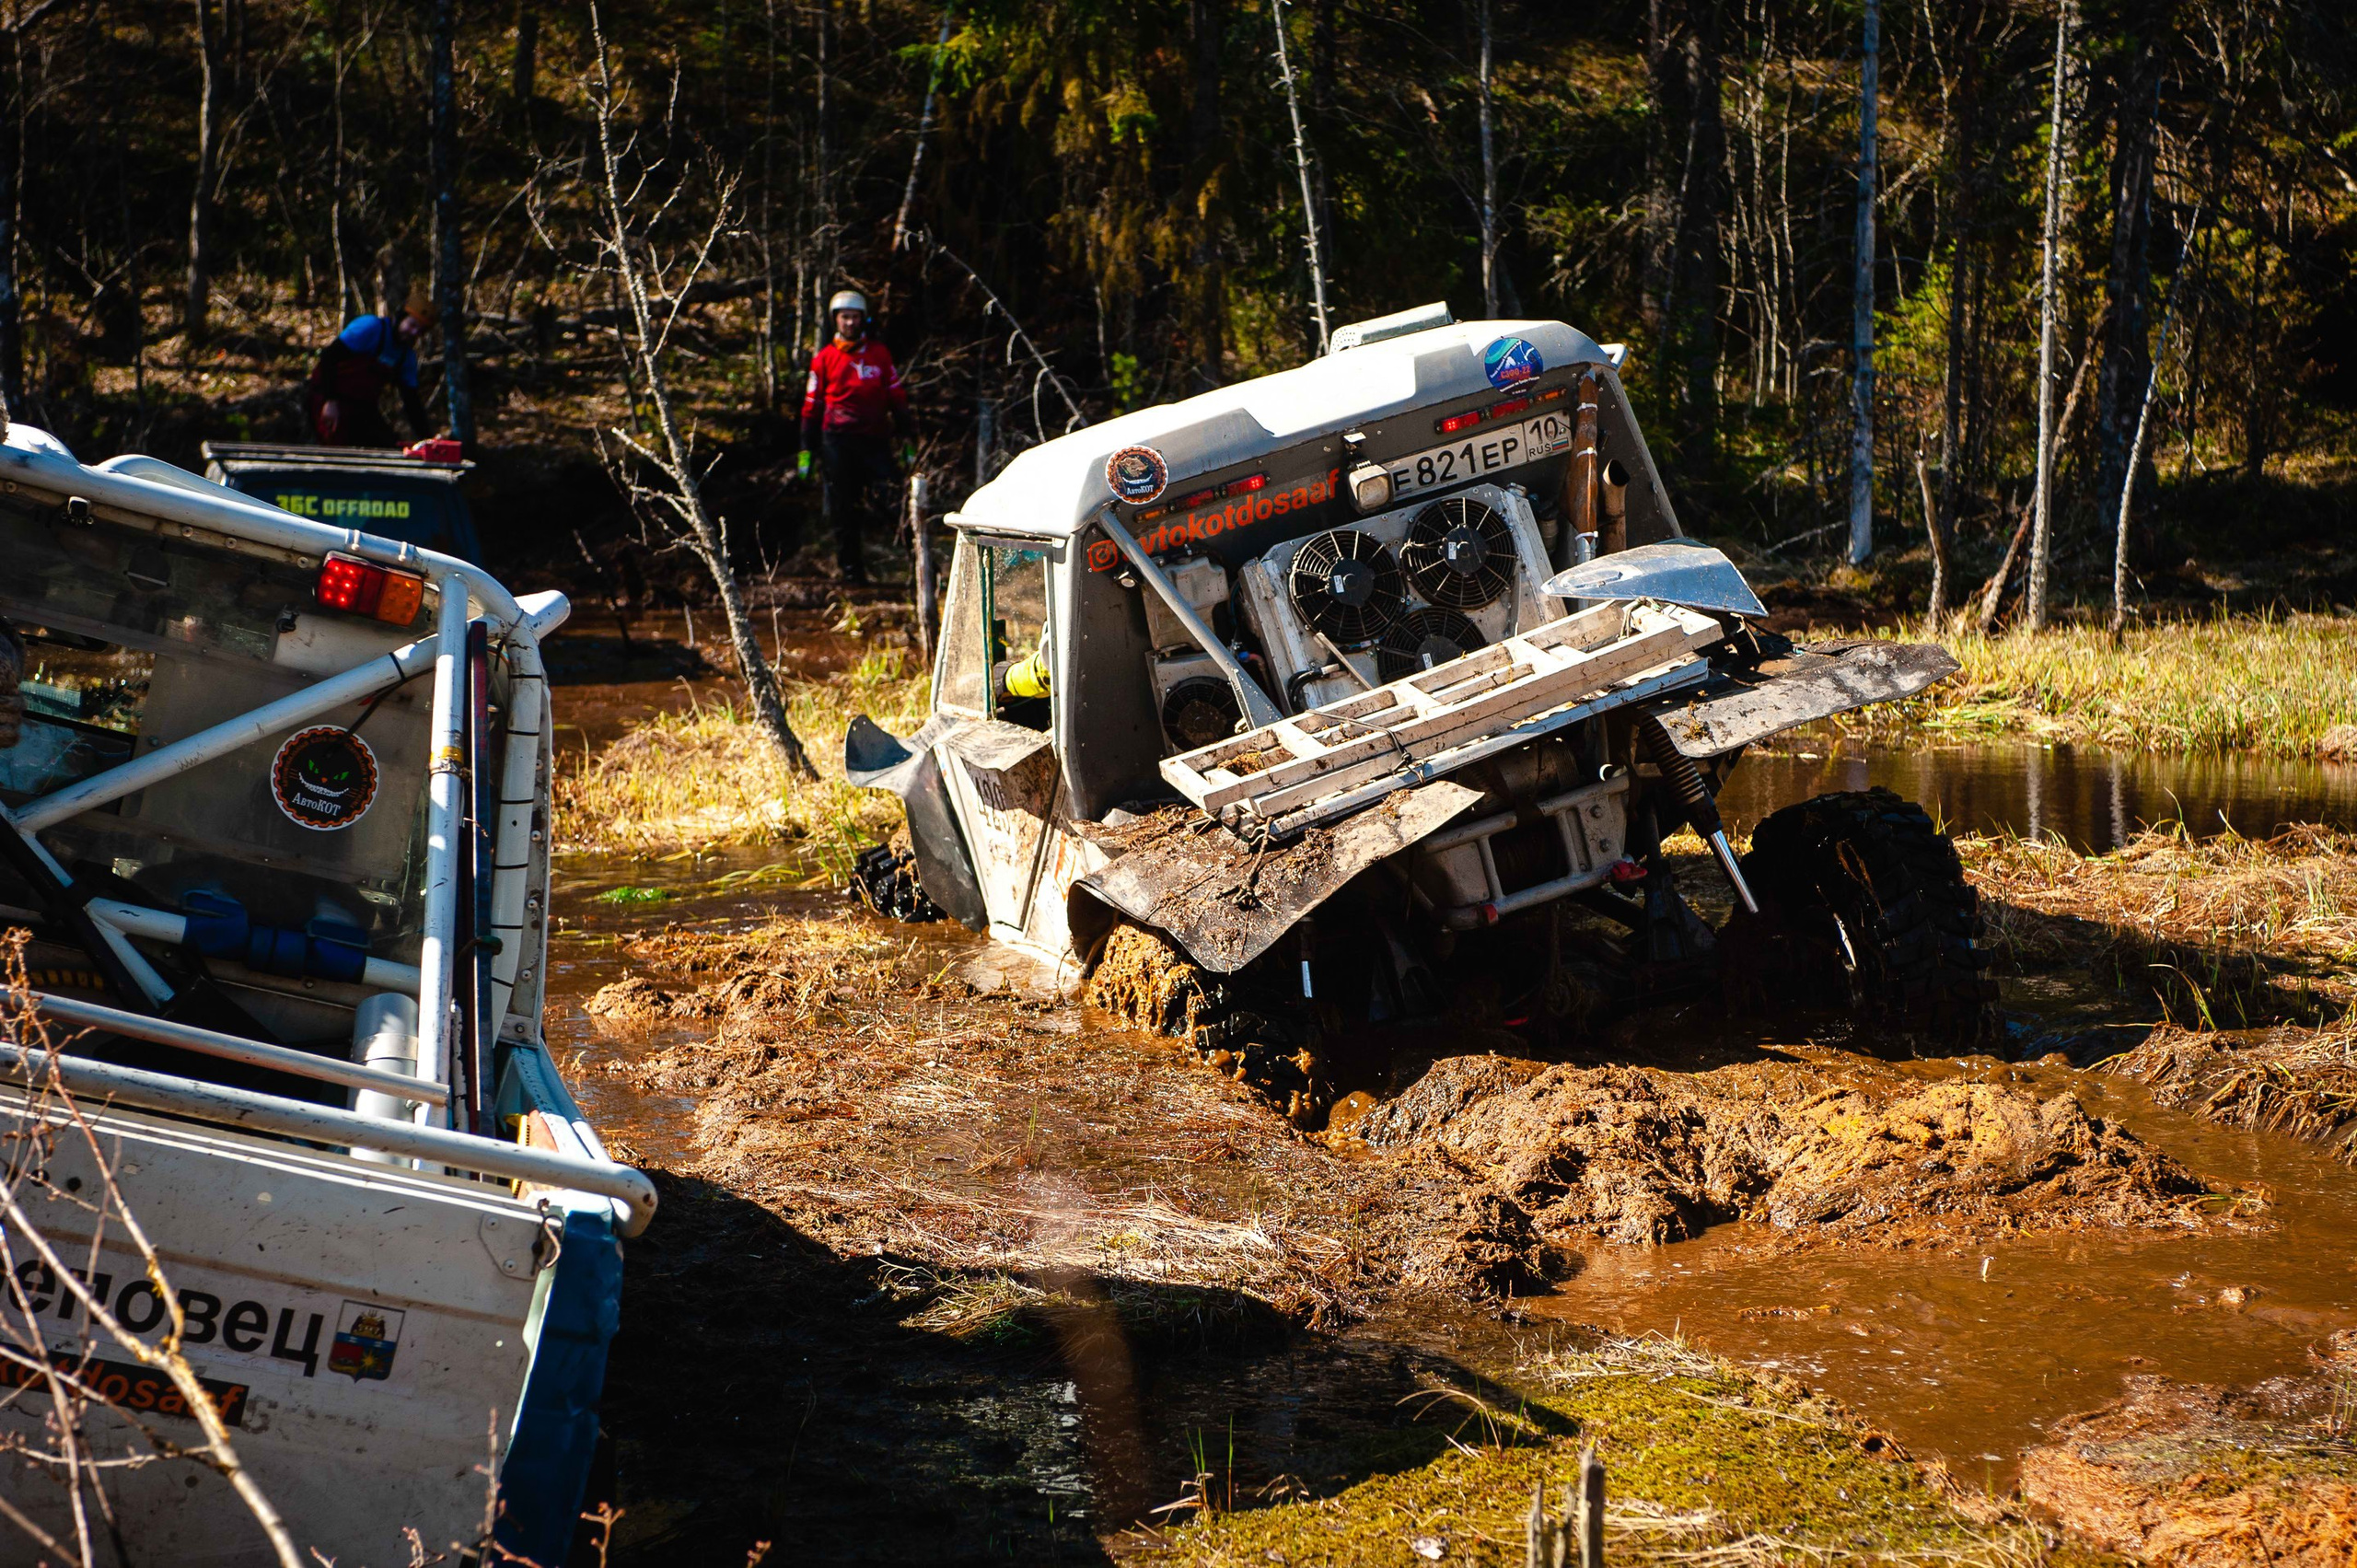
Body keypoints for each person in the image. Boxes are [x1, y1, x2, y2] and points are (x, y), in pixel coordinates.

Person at [798, 289, 911, 585]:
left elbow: (897, 398)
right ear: (836, 320)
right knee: (843, 510)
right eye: (844, 317)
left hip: (875, 441)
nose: (850, 323)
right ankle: (852, 574)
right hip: (837, 443)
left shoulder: (879, 354)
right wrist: (806, 452)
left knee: (894, 501)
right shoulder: (824, 359)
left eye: (855, 317)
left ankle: (922, 567)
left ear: (863, 320)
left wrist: (909, 439)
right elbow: (811, 408)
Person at [307, 292, 436, 447]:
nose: (414, 333)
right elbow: (329, 357)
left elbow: (411, 401)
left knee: (389, 445)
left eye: (420, 331)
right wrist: (330, 401)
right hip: (328, 397)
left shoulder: (406, 357)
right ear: (401, 317)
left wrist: (429, 440)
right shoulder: (370, 327)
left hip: (362, 409)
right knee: (337, 444)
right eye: (412, 325)